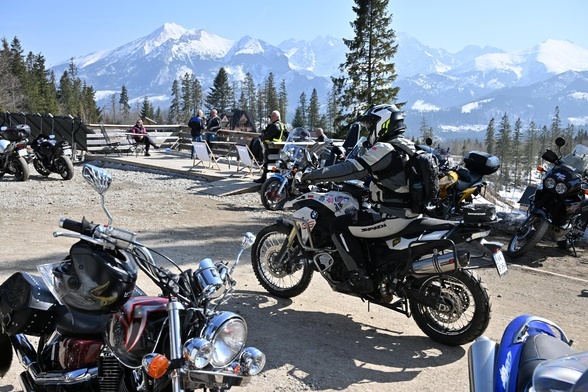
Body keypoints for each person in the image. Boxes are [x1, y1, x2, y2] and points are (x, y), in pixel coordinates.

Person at [301, 104, 419, 294]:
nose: (369, 129)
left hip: (392, 215)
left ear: (384, 124)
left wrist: (314, 175)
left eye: (371, 125)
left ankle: (359, 277)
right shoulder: (407, 146)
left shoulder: (385, 149)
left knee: (339, 226)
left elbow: (352, 168)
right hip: (408, 211)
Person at [254, 110, 286, 184]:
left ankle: (264, 179)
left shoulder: (274, 126)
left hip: (271, 147)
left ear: (277, 117)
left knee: (267, 163)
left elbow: (268, 135)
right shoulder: (282, 125)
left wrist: (262, 137)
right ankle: (271, 179)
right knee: (275, 163)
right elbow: (287, 134)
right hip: (278, 147)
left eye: (272, 116)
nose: (271, 117)